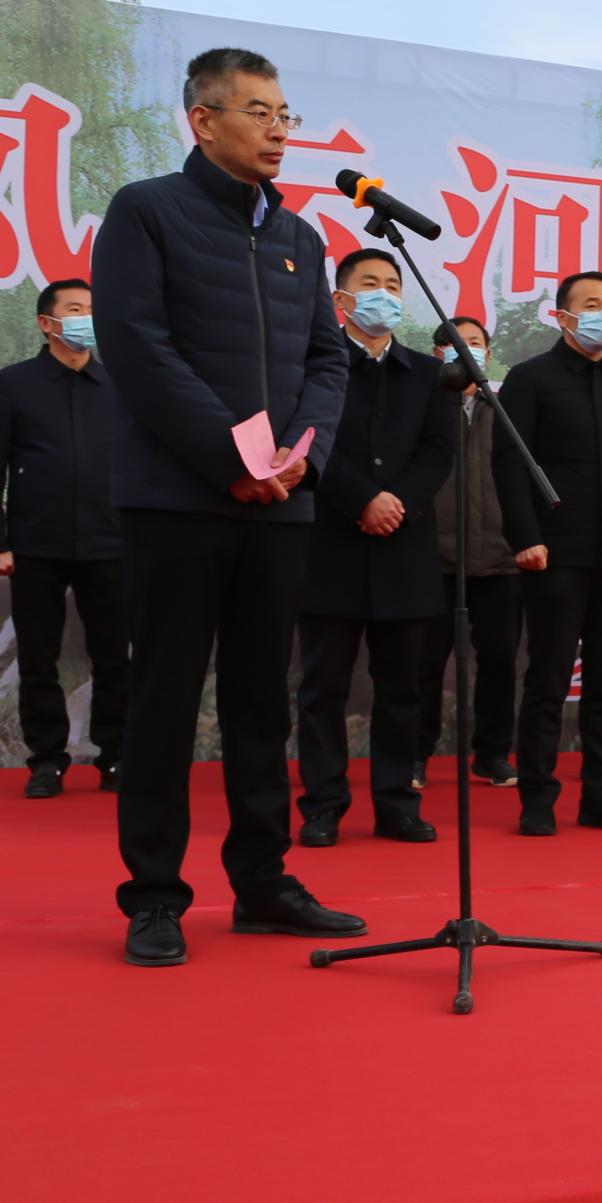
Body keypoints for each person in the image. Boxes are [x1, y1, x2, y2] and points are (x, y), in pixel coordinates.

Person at [93, 47, 360, 967]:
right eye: (259, 112)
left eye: (286, 115)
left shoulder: (300, 238)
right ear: (203, 120)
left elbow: (327, 359)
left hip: (278, 504)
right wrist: (229, 456)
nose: (279, 131)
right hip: (179, 499)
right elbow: (137, 344)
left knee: (261, 702)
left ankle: (263, 882)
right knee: (165, 700)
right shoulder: (147, 211)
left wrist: (303, 454)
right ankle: (154, 897)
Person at [494, 270, 602, 837]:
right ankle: (537, 797)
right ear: (563, 316)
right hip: (555, 553)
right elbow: (510, 465)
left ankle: (600, 794)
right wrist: (525, 536)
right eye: (591, 304)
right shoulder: (530, 379)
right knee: (547, 679)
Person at [292, 249, 457, 846]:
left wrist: (397, 503)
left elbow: (438, 451)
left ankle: (396, 803)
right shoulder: (312, 367)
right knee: (323, 688)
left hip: (403, 548)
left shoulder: (429, 373)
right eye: (370, 283)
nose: (383, 294)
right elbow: (308, 440)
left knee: (403, 688)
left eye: (392, 284)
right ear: (340, 299)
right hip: (329, 545)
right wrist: (362, 499)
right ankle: (323, 803)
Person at [0, 277, 128, 800]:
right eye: (75, 309)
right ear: (47, 322)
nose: (88, 319)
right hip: (35, 545)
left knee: (115, 659)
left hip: (110, 544)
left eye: (93, 309)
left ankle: (116, 757)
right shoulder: (13, 384)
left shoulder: (120, 385)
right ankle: (47, 761)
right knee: (39, 659)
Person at [413, 318, 523, 790]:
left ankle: (492, 753)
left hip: (500, 556)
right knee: (423, 664)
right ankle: (416, 753)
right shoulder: (421, 405)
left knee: (499, 659)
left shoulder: (509, 410)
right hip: (432, 558)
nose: (466, 350)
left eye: (475, 343)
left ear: (489, 355)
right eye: (455, 343)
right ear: (437, 354)